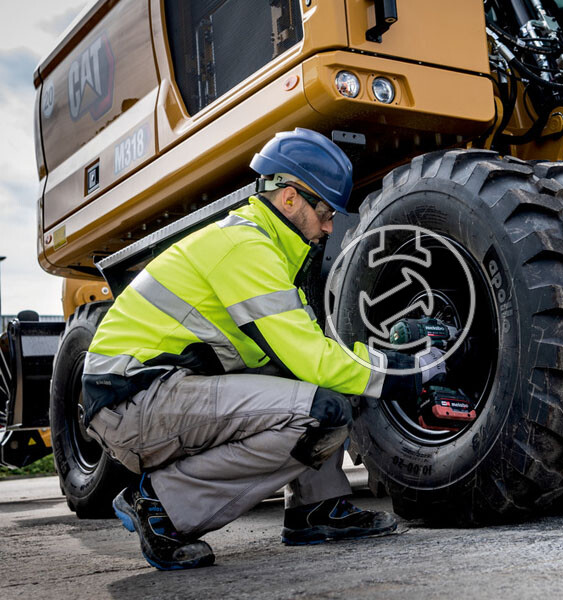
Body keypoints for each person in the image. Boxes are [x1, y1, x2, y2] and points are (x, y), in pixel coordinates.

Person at [82, 128, 445, 570]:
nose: (330, 227)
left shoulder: (264, 248)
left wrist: (384, 363)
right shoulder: (244, 247)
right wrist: (406, 373)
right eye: (325, 212)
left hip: (159, 391)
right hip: (135, 401)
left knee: (323, 388)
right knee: (318, 410)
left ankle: (316, 508)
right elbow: (312, 359)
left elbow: (311, 355)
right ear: (290, 199)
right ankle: (159, 506)